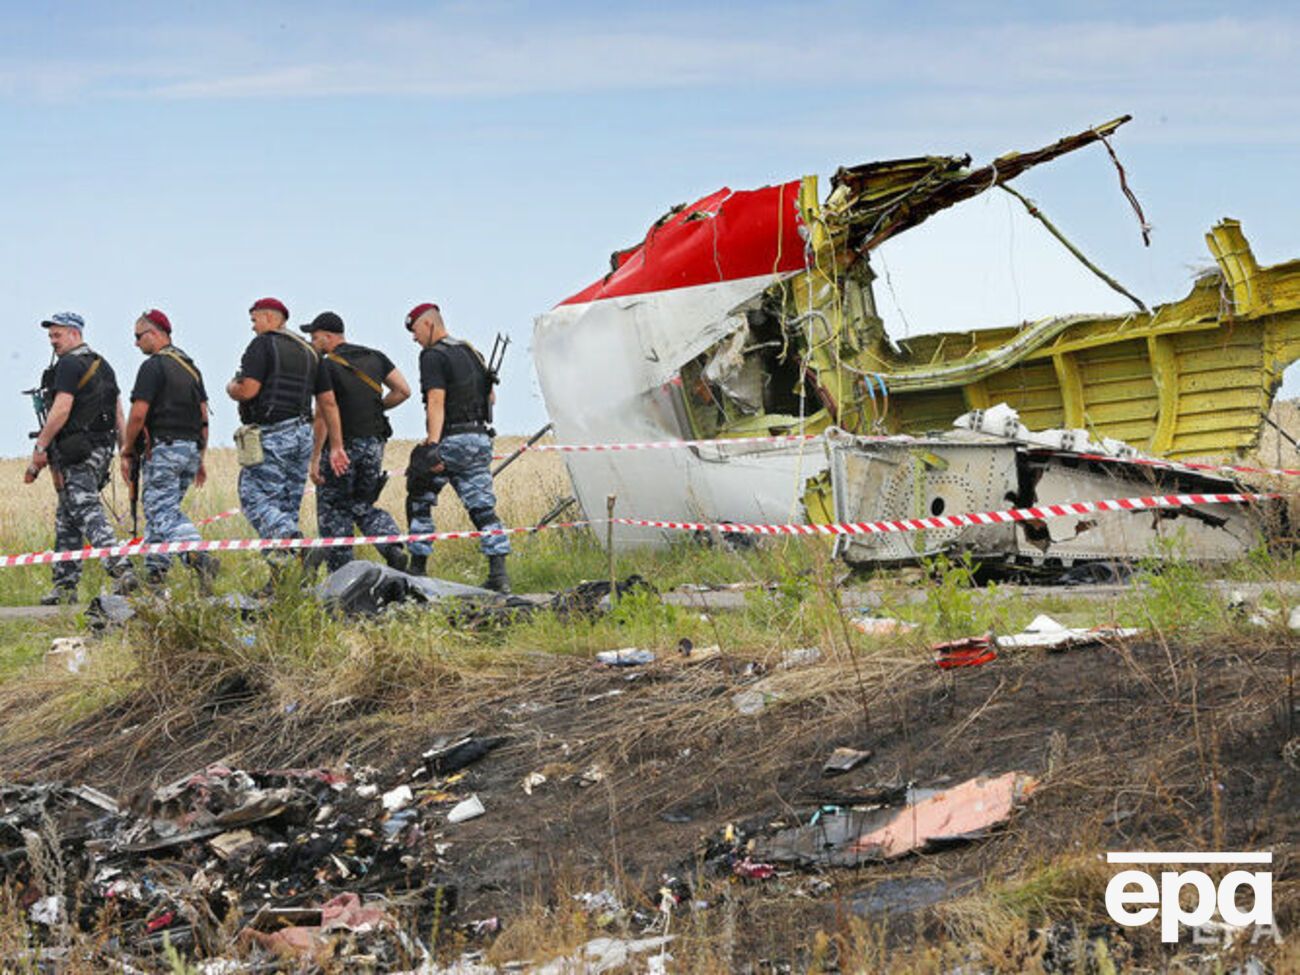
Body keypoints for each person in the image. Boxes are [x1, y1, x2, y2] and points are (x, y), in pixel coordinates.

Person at [225, 298, 348, 578]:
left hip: (273, 435)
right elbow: (328, 402)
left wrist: (231, 387)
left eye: (254, 319)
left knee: (253, 498)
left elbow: (247, 390)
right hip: (303, 435)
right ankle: (284, 579)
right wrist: (336, 445)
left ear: (270, 318)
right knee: (286, 505)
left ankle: (296, 542)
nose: (253, 326)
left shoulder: (262, 344)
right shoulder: (310, 352)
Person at [23, 312, 138, 603]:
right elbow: (118, 412)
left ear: (75, 333)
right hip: (101, 450)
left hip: (77, 452)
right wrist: (124, 451)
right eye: (50, 336)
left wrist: (40, 448)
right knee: (67, 516)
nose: (53, 341)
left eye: (57, 335)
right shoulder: (103, 365)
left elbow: (61, 408)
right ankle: (65, 587)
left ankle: (121, 568)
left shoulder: (68, 365)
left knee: (85, 509)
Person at [404, 302, 510, 592]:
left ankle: (417, 570)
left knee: (419, 496)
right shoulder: (471, 351)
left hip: (452, 439)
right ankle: (499, 576)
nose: (414, 338)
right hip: (480, 439)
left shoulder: (432, 356)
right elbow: (491, 398)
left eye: (415, 330)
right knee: (483, 508)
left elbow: (436, 400)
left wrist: (432, 445)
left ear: (428, 324)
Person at [302, 310, 412, 573]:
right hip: (374, 445)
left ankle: (342, 576)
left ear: (328, 337)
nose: (313, 344)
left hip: (342, 448)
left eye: (315, 338)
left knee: (334, 509)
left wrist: (316, 457)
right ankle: (391, 547)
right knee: (362, 504)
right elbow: (403, 390)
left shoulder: (325, 366)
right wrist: (376, 407)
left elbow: (323, 412)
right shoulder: (376, 357)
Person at [119, 309, 219, 587]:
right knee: (161, 508)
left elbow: (138, 414)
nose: (136, 343)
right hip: (190, 449)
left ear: (154, 333)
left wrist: (127, 449)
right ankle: (156, 572)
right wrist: (200, 458)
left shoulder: (153, 366)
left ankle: (198, 557)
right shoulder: (190, 367)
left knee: (161, 511)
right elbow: (203, 417)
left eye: (138, 336)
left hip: (164, 449)